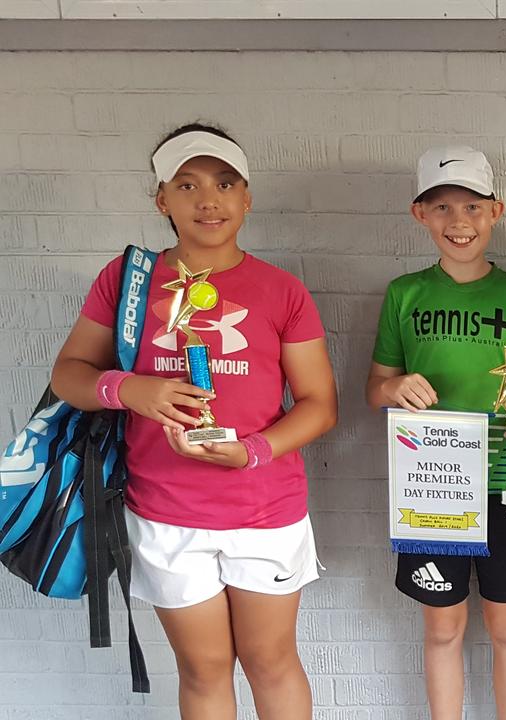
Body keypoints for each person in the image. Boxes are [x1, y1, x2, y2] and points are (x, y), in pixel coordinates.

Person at [50, 123, 338, 718]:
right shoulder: (127, 282)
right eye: (187, 184)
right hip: (164, 512)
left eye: (224, 183)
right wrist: (129, 388)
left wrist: (252, 452)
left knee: (271, 661)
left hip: (265, 511)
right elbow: (69, 375)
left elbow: (319, 404)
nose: (208, 199)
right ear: (162, 200)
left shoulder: (282, 290)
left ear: (246, 196)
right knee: (204, 670)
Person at [365, 145, 506, 720]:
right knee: (443, 627)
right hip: (431, 486)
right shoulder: (405, 294)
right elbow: (375, 386)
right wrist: (393, 391)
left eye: (472, 206)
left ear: (495, 212)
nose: (459, 221)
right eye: (442, 206)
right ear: (419, 214)